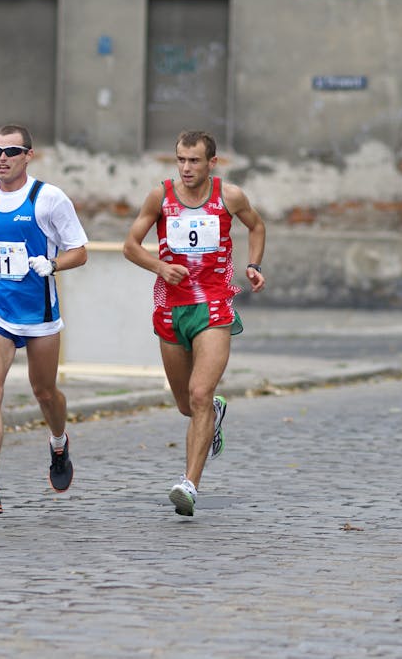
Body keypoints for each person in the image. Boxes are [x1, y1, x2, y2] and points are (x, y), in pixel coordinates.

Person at [0, 124, 89, 515]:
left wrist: (52, 263)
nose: (2, 159)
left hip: (38, 312)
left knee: (45, 392)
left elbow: (80, 250)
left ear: (29, 155)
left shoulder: (49, 199)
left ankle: (59, 443)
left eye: (11, 152)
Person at [122, 130, 266, 516]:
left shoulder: (229, 196)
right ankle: (213, 416)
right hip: (171, 307)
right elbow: (130, 245)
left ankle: (189, 484)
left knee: (200, 393)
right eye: (181, 160)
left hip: (215, 304)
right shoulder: (160, 196)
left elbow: (257, 226)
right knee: (187, 405)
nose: (186, 168)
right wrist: (158, 266)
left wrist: (252, 265)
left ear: (211, 163)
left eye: (194, 161)